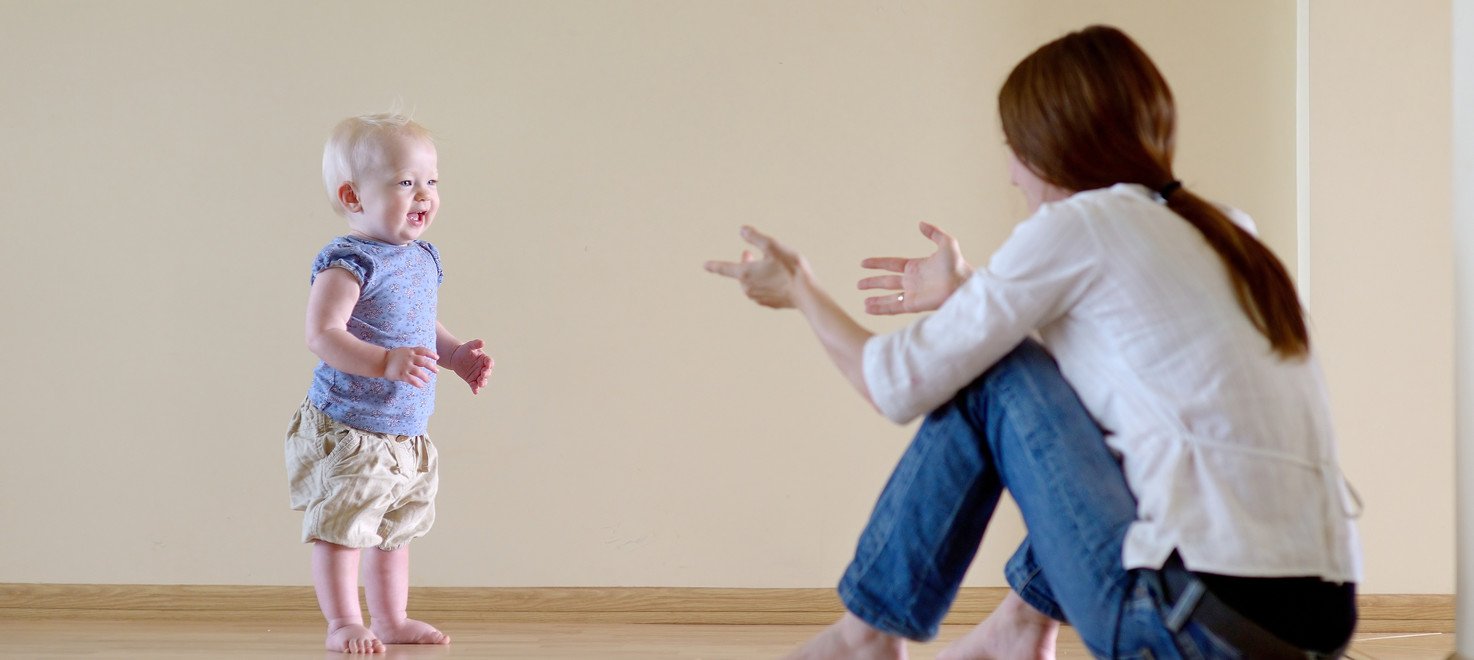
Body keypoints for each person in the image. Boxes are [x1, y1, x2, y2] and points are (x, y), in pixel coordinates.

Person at [705, 25, 1360, 659]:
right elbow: (1094, 395)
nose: (1012, 175)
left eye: (1013, 148)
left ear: (1051, 146)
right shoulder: (1228, 234)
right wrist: (971, 296)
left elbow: (894, 383)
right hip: (1308, 632)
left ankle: (866, 637)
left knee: (993, 369)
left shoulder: (1083, 225)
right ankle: (1017, 629)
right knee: (1080, 399)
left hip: (1182, 630)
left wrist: (800, 289)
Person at [285, 113, 494, 654]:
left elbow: (422, 326)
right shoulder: (348, 261)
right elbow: (322, 334)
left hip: (405, 430)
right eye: (406, 182)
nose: (424, 194)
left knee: (394, 531)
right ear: (353, 196)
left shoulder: (422, 256)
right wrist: (384, 364)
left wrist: (454, 356)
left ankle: (391, 619)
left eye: (432, 181)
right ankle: (343, 623)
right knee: (344, 528)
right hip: (350, 426)